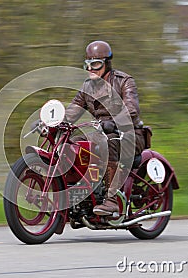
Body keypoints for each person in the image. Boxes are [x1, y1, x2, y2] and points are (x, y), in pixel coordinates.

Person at [65, 40, 146, 216]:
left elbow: (132, 110)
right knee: (71, 144)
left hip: (129, 134)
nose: (90, 68)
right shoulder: (87, 86)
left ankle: (111, 200)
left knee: (110, 141)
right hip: (100, 132)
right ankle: (75, 195)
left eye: (95, 64)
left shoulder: (124, 81)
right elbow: (73, 109)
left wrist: (113, 122)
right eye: (87, 64)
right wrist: (52, 122)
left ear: (107, 63)